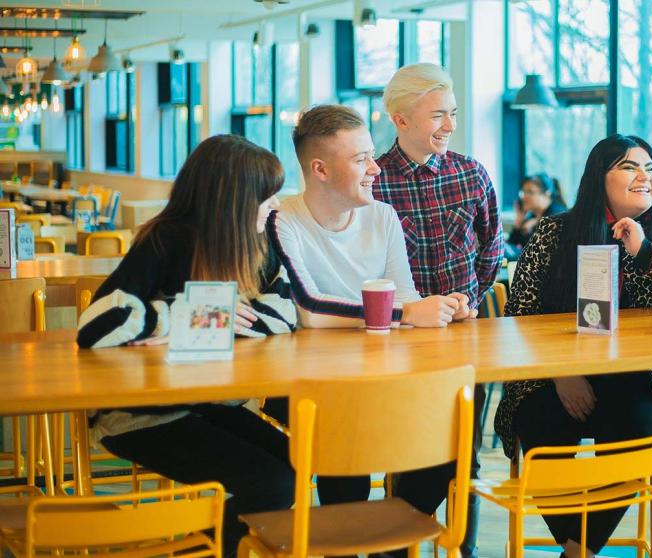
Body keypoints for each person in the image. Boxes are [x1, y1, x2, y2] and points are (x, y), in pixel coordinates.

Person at [494, 134, 652, 558]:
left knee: (641, 430)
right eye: (628, 166)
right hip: (554, 374)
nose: (644, 177)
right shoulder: (555, 231)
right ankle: (579, 545)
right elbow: (520, 314)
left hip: (644, 378)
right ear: (597, 178)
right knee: (540, 425)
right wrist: (561, 373)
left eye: (651, 168)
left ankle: (577, 550)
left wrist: (645, 251)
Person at [76, 134, 297, 557]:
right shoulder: (165, 240)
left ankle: (201, 545)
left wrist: (202, 323)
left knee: (297, 462)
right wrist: (188, 316)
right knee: (272, 481)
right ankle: (198, 550)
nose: (277, 206)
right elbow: (95, 325)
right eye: (267, 197)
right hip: (137, 414)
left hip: (207, 402)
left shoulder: (257, 242)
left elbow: (283, 315)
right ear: (233, 198)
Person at [264, 104, 473, 509]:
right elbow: (307, 309)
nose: (376, 169)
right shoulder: (281, 219)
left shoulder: (383, 217)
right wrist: (408, 315)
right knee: (347, 449)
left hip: (380, 378)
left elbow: (406, 297)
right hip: (310, 386)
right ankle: (346, 544)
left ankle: (389, 551)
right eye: (361, 160)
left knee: (447, 445)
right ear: (320, 170)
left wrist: (444, 310)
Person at [374, 63, 503, 558]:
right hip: (396, 342)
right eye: (437, 115)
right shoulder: (373, 180)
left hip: (463, 339)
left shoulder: (470, 173)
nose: (449, 125)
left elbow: (491, 248)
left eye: (452, 114)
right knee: (410, 451)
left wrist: (469, 300)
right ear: (401, 120)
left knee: (464, 454)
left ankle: (461, 550)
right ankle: (395, 543)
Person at [506, 173, 567, 260]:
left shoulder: (557, 215)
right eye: (523, 192)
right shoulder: (532, 216)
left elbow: (540, 252)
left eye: (530, 192)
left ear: (546, 193)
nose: (524, 197)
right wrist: (518, 222)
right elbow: (511, 247)